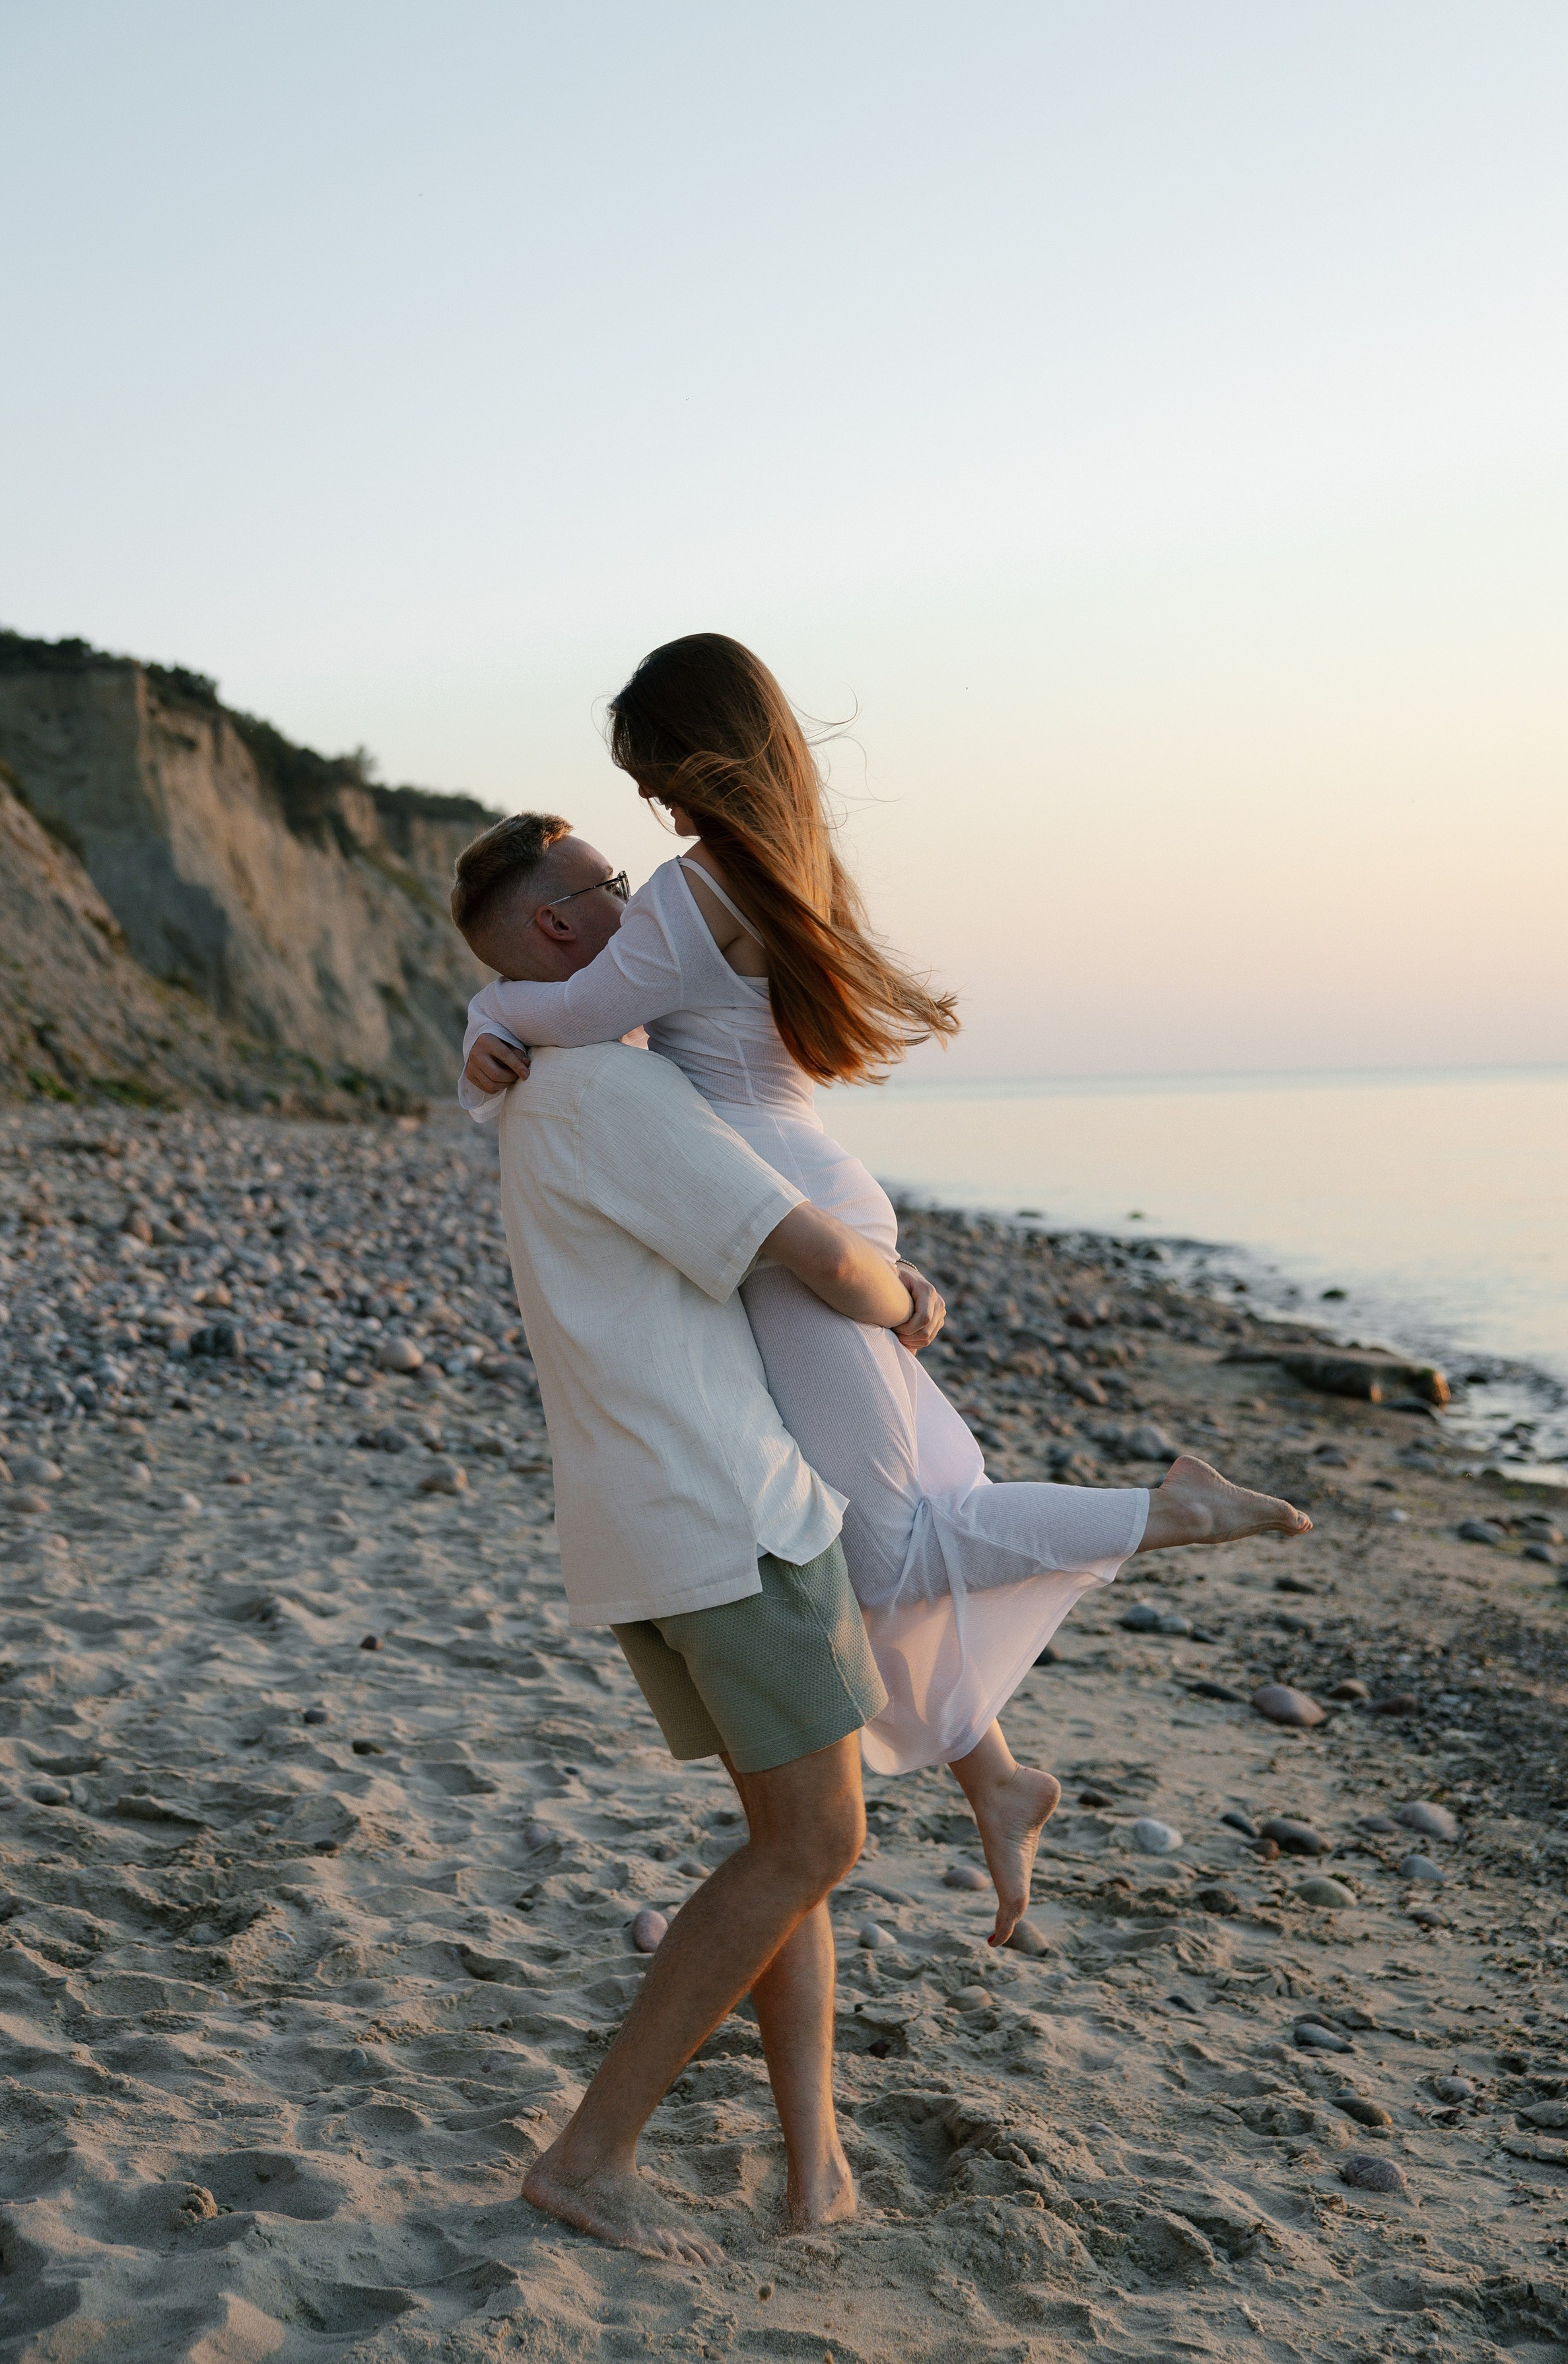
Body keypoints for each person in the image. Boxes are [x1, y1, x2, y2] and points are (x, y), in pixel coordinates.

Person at [454, 639, 1312, 1949]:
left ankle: (1168, 1508)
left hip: (787, 1229)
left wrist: (481, 1006)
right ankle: (995, 1770)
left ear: (704, 755)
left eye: (658, 779)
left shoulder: (692, 893)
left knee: (887, 1546)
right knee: (892, 1525)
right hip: (802, 1193)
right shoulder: (789, 866)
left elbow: (573, 1015)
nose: (656, 813)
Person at [454, 810, 953, 2264]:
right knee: (815, 1836)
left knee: (783, 1845)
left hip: (638, 1524)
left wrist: (480, 1028)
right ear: (563, 930)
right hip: (725, 1514)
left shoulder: (530, 1086)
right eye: (616, 888)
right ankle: (588, 2153)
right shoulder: (614, 1096)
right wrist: (907, 1300)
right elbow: (807, 1249)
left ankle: (816, 2170)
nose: (651, 905)